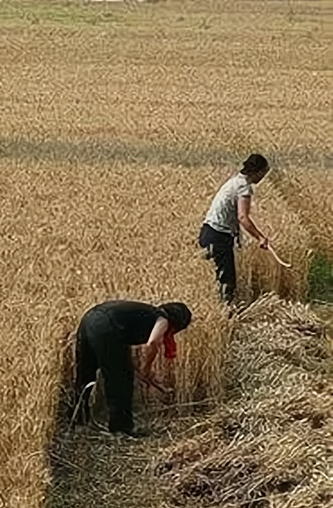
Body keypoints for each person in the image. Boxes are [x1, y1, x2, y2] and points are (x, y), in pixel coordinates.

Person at [72, 300, 192, 438]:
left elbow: (121, 353)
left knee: (86, 374)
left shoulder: (145, 314)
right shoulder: (163, 318)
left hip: (89, 319)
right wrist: (146, 369)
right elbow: (152, 343)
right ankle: (121, 429)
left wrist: (140, 371)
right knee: (120, 379)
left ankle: (78, 422)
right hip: (107, 326)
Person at [198, 154, 271, 304]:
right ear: (257, 172)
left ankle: (217, 313)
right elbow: (243, 217)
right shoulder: (244, 187)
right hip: (219, 237)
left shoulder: (234, 182)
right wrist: (260, 237)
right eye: (264, 173)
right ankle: (225, 317)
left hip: (208, 232)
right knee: (226, 282)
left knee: (212, 280)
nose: (263, 177)